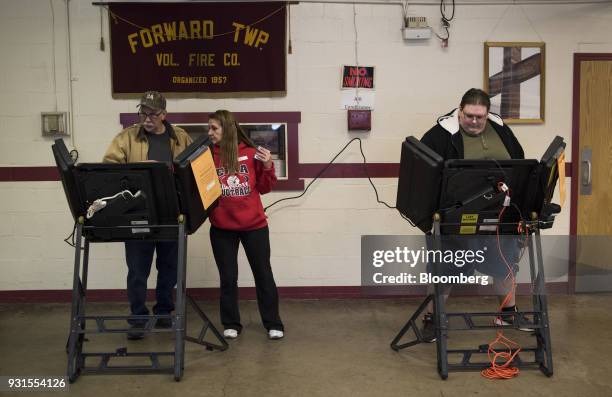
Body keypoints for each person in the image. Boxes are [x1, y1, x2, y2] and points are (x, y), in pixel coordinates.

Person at [419, 88, 531, 342]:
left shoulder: (501, 129)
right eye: (469, 115)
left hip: (498, 213)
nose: (474, 121)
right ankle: (432, 319)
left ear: (487, 114)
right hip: (456, 216)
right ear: (460, 111)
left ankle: (507, 313)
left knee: (504, 264)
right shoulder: (441, 135)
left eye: (480, 117)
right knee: (444, 270)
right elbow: (423, 174)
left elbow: (519, 164)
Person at [103, 91, 193, 340]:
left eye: (152, 113)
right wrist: (140, 172)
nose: (146, 118)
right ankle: (138, 318)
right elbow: (109, 171)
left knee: (169, 267)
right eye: (142, 112)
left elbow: (193, 169)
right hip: (138, 215)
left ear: (164, 114)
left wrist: (172, 171)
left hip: (170, 214)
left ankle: (164, 311)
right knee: (137, 269)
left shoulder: (180, 137)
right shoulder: (126, 138)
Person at [207, 110, 284, 340]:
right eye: (209, 128)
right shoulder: (208, 157)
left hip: (254, 226)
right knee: (228, 278)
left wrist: (269, 165)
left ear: (227, 129)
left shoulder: (251, 154)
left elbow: (265, 187)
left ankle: (273, 323)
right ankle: (231, 323)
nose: (209, 133)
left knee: (263, 274)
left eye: (214, 128)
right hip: (222, 228)